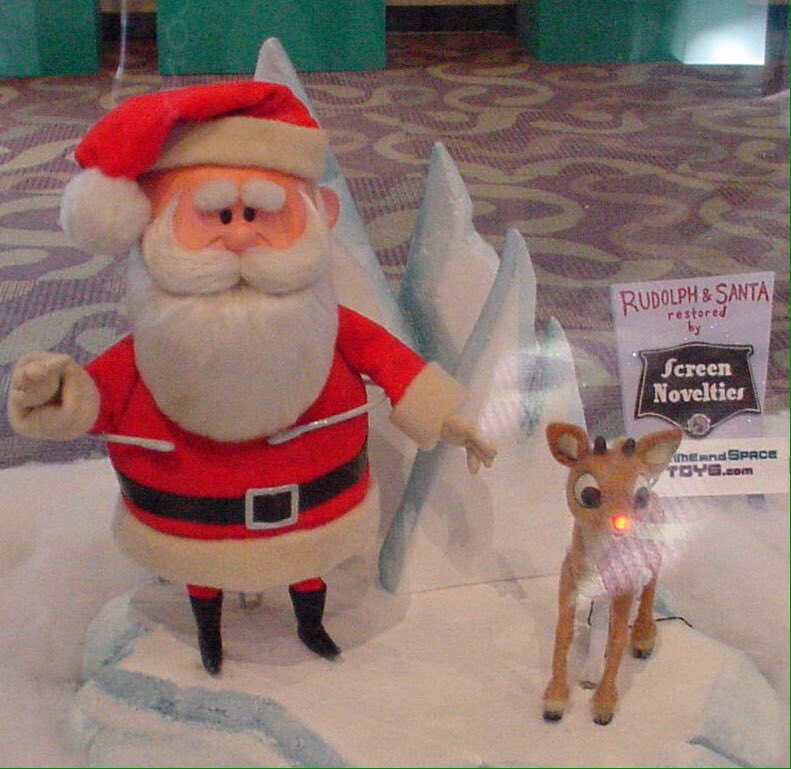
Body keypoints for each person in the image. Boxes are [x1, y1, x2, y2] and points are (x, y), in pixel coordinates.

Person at [7, 81, 496, 675]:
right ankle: (210, 637)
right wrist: (58, 394)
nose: (239, 233)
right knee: (203, 576)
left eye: (259, 213)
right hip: (190, 510)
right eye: (217, 215)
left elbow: (390, 363)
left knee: (307, 569)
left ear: (318, 215)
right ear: (151, 226)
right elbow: (98, 395)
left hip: (312, 501)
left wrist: (445, 418)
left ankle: (310, 625)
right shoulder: (154, 340)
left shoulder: (324, 322)